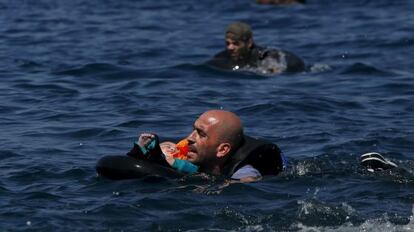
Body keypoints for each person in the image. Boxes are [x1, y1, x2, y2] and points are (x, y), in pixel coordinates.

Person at [127, 110, 286, 182]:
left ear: (222, 150)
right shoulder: (192, 155)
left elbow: (249, 182)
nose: (189, 138)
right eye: (193, 129)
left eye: (201, 134)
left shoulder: (244, 171)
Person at [207, 22, 305, 74]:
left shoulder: (265, 56)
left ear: (249, 43)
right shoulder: (221, 56)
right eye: (227, 43)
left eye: (235, 43)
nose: (230, 47)